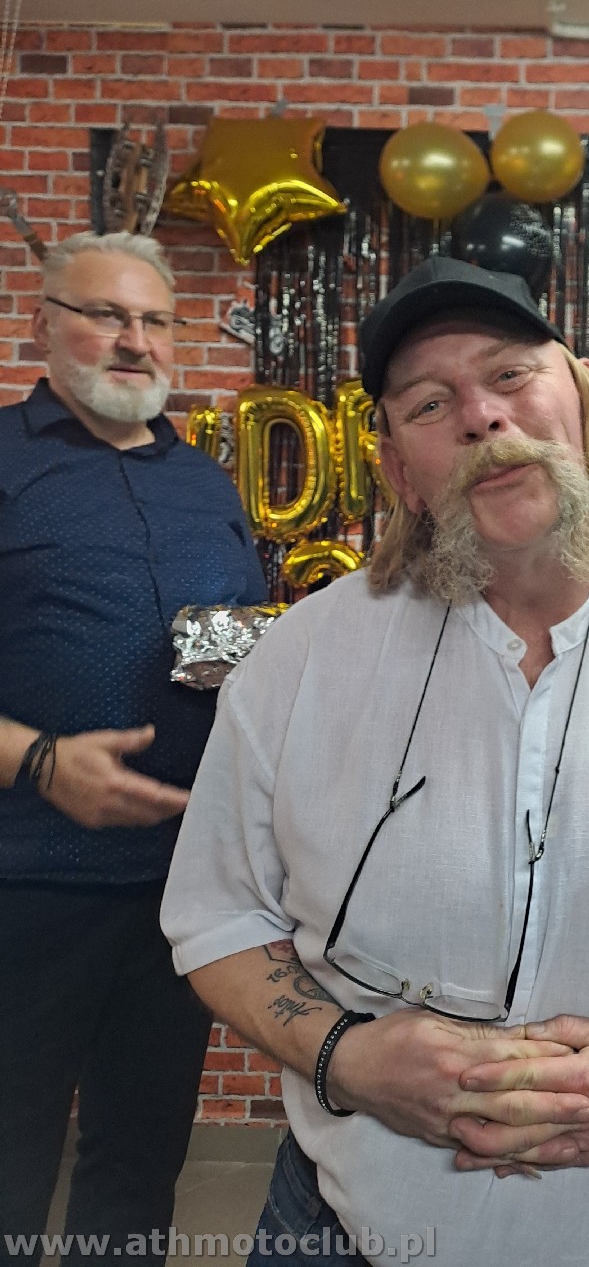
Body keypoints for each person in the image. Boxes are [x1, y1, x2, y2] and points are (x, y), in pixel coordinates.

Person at [161, 257, 589, 1267]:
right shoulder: (302, 660)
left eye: (512, 374)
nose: (482, 415)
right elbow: (219, 918)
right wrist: (345, 1055)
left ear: (588, 406)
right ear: (399, 470)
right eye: (429, 404)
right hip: (342, 1231)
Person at [0, 232, 267, 1266]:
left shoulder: (202, 480)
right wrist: (37, 760)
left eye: (155, 320)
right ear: (41, 322)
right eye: (106, 314)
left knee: (140, 1159)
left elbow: (220, 645)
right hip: (26, 879)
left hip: (178, 889)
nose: (133, 340)